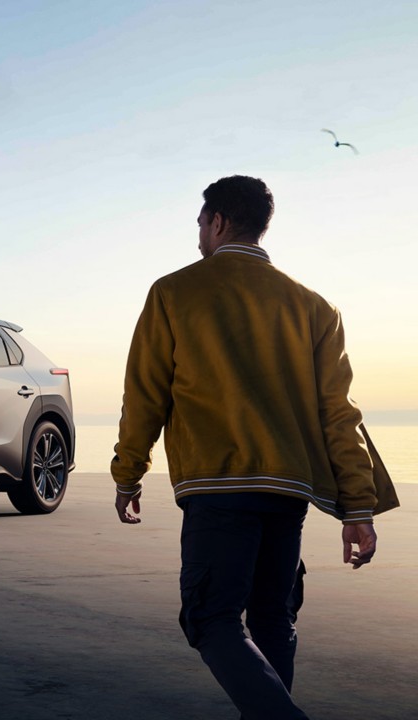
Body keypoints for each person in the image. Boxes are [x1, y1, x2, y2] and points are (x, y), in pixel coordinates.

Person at [111, 175, 395, 719]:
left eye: (200, 222)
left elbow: (145, 394)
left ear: (217, 221)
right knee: (272, 618)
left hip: (218, 488)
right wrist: (358, 509)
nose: (198, 234)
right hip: (287, 492)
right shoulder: (314, 306)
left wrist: (128, 473)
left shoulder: (173, 291)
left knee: (211, 619)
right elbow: (339, 415)